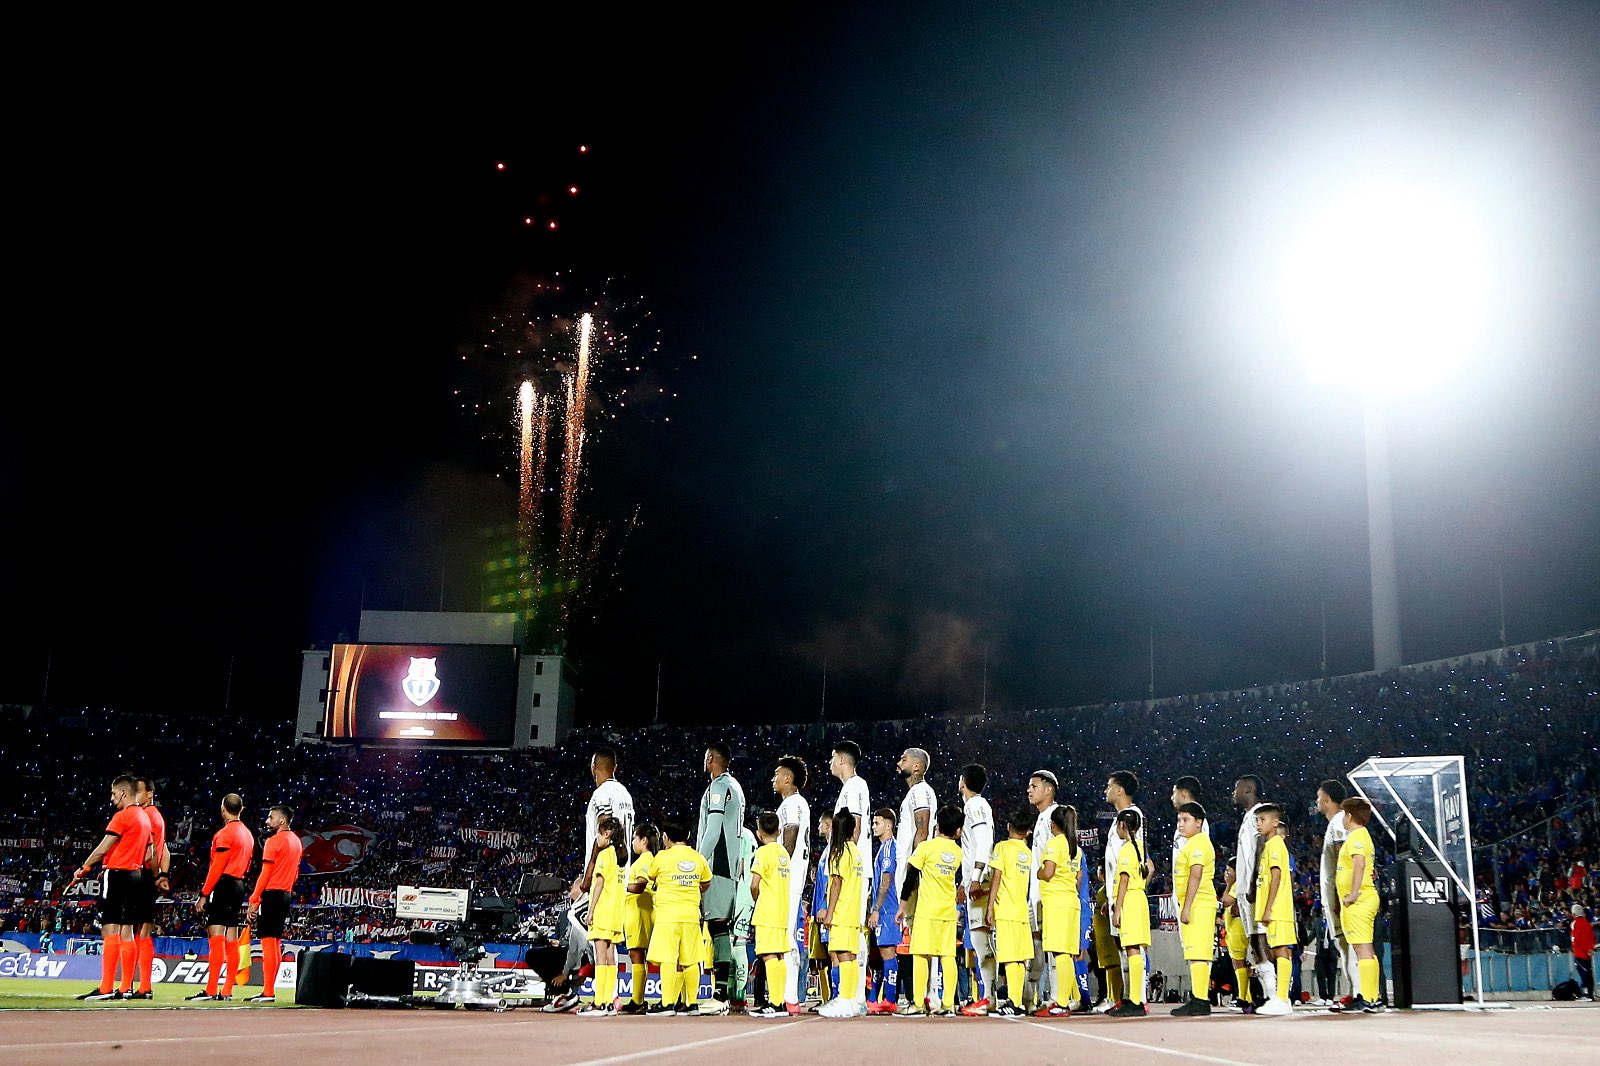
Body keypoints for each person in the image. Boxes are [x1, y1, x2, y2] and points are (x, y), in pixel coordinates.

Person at [69, 773, 152, 1001]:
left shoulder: (122, 816)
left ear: (124, 793)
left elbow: (103, 847)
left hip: (116, 875)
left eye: (114, 794)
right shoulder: (145, 818)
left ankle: (106, 987)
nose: (112, 798)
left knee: (110, 929)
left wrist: (84, 868)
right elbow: (150, 853)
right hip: (136, 875)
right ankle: (125, 988)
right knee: (128, 931)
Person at [898, 805, 964, 1016]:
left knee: (920, 955)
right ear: (958, 831)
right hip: (947, 912)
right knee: (947, 956)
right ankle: (948, 1004)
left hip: (926, 911)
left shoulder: (925, 848)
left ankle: (918, 1004)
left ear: (937, 826)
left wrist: (903, 905)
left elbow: (910, 878)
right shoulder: (957, 852)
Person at [189, 793, 254, 1001]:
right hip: (239, 884)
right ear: (241, 809)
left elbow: (217, 866)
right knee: (231, 936)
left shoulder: (224, 834)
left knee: (216, 935)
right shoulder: (248, 834)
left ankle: (210, 989)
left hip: (223, 884)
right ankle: (226, 990)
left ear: (223, 809)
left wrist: (204, 894)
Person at [646, 817, 712, 1016]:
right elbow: (706, 882)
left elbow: (651, 875)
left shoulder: (661, 857)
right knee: (690, 960)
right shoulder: (698, 858)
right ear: (689, 835)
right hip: (691, 915)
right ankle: (692, 1003)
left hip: (667, 915)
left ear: (665, 837)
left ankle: (667, 1003)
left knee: (668, 958)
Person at [697, 742, 746, 1010]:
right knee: (721, 928)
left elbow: (714, 829)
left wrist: (697, 862)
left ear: (711, 759)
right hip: (729, 867)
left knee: (717, 927)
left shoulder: (719, 786)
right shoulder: (735, 786)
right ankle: (725, 992)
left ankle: (720, 995)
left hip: (718, 866)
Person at [1099, 770, 1147, 1012]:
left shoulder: (1132, 817)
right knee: (1125, 946)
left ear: (1120, 790)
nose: (1106, 790)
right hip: (1119, 893)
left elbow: (1133, 865)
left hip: (1127, 894)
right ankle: (1130, 997)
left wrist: (1121, 899)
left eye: (1109, 786)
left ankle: (1138, 998)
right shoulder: (1119, 819)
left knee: (1132, 946)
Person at [244, 804, 302, 1003]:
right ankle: (269, 990)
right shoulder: (296, 841)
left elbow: (265, 873)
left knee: (268, 943)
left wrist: (254, 899)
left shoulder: (274, 841)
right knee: (276, 943)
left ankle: (268, 992)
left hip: (271, 895)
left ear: (282, 820)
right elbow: (295, 873)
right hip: (285, 894)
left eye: (271, 817)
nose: (267, 821)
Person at [829, 740, 873, 1001]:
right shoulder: (851, 787)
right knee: (851, 932)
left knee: (852, 932)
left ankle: (854, 996)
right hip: (853, 867)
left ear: (842, 760)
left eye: (832, 758)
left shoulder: (854, 786)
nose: (830, 763)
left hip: (852, 870)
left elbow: (854, 825)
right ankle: (852, 995)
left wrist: (846, 858)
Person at [985, 808, 1035, 1016]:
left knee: (1009, 957)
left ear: (1008, 827)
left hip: (1005, 909)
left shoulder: (1002, 847)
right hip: (1022, 910)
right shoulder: (1028, 853)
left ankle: (1014, 1002)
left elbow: (996, 877)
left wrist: (989, 907)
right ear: (1027, 831)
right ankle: (1018, 1001)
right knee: (1020, 958)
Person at [818, 809, 868, 1017]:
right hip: (853, 912)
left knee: (843, 954)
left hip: (842, 911)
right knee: (851, 956)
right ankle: (852, 999)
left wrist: (829, 913)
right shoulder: (856, 852)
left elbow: (836, 884)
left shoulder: (838, 853)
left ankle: (845, 999)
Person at [1232, 775, 1276, 1006]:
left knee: (1260, 939)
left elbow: (1260, 848)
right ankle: (1267, 994)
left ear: (1249, 789)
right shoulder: (1249, 816)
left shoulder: (1259, 814)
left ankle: (1273, 993)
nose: (1233, 793)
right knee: (1254, 941)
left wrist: (1252, 884)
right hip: (1244, 888)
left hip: (1253, 888)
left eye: (1236, 788)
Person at [772, 754, 811, 1013]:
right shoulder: (797, 803)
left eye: (777, 774)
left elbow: (791, 835)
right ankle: (790, 997)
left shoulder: (792, 803)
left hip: (788, 876)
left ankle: (788, 998)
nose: (773, 779)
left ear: (788, 778)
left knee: (785, 935)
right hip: (795, 875)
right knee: (787, 933)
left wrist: (779, 869)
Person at [1171, 800, 1217, 1016]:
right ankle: (1199, 998)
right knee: (1195, 953)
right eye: (1179, 820)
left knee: (1199, 953)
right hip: (1196, 903)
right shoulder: (1192, 843)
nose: (1181, 824)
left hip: (1199, 904)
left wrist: (1187, 906)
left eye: (1186, 820)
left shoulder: (1199, 843)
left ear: (1198, 822)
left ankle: (1200, 1000)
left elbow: (1196, 875)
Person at [578, 816, 627, 1016]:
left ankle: (599, 1003)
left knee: (600, 958)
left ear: (606, 834)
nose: (597, 838)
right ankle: (608, 1002)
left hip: (604, 911)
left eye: (598, 834)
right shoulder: (621, 856)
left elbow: (599, 883)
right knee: (610, 958)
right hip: (616, 913)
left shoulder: (605, 854)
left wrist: (590, 912)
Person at [1337, 796, 1382, 1013]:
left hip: (1360, 899)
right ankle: (1372, 996)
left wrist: (1353, 893)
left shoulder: (1356, 836)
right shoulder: (1362, 835)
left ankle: (1370, 998)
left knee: (1362, 949)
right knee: (1365, 948)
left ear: (1348, 816)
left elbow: (1359, 863)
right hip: (1364, 897)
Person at [958, 764, 996, 1015]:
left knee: (981, 940)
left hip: (980, 882)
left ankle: (989, 997)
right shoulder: (975, 806)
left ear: (963, 782)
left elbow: (983, 842)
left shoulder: (975, 806)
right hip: (975, 880)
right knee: (980, 940)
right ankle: (988, 996)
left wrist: (975, 878)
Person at [1316, 778, 1358, 1005]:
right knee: (1343, 945)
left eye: (1318, 797)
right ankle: (1354, 992)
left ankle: (1360, 994)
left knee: (1349, 944)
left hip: (1341, 894)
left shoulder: (1341, 820)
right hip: (1336, 893)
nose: (1317, 801)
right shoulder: (1335, 822)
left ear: (1327, 799)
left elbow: (1345, 854)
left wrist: (1344, 896)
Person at [1252, 804, 1296, 1016]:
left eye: (1262, 820)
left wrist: (1268, 909)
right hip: (1275, 909)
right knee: (1277, 951)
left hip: (1278, 909)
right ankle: (1281, 997)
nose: (1258, 824)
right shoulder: (1270, 845)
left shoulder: (1276, 844)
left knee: (1281, 951)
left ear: (1275, 822)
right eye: (1257, 820)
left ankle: (1283, 998)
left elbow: (1276, 877)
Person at [749, 812, 793, 1019]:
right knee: (779, 956)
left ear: (759, 833)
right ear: (779, 830)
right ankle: (780, 1002)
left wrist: (756, 898)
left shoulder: (762, 852)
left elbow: (754, 884)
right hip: (782, 910)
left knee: (768, 955)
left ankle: (775, 1004)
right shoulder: (784, 853)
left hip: (767, 911)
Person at [1108, 808, 1151, 1017]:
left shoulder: (1127, 848)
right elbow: (1150, 869)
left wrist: (1117, 909)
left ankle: (1135, 1001)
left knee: (1132, 949)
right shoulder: (1141, 846)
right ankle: (1136, 998)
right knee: (1137, 950)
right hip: (1140, 898)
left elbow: (1123, 880)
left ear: (1122, 825)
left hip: (1130, 901)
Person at [130, 774, 169, 1000]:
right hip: (148, 875)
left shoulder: (147, 816)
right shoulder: (156, 816)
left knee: (137, 932)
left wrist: (154, 876)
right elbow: (165, 850)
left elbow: (152, 851)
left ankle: (140, 986)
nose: (135, 795)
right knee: (139, 931)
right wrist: (163, 874)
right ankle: (140, 986)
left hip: (143, 874)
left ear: (150, 794)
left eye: (139, 791)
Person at [1026, 770, 1061, 1008]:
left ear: (1048, 789)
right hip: (1036, 893)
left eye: (1034, 786)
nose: (1029, 790)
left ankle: (1057, 997)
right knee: (1037, 944)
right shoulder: (1041, 818)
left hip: (1050, 893)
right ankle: (1033, 997)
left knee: (1053, 946)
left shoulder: (1055, 817)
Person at [620, 823, 660, 1014]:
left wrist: (621, 885)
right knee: (641, 956)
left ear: (643, 840)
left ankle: (638, 1000)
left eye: (635, 838)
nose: (633, 842)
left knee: (637, 955)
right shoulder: (650, 859)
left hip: (640, 911)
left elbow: (640, 885)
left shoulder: (645, 859)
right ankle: (639, 999)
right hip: (642, 910)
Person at [866, 808, 901, 1013]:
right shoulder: (883, 848)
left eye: (876, 823)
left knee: (888, 953)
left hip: (888, 908)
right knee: (879, 954)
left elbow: (886, 880)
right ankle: (875, 998)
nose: (873, 826)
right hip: (884, 908)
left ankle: (890, 999)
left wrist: (877, 909)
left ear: (888, 825)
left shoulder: (889, 848)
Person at [807, 811, 834, 1005]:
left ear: (828, 825)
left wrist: (824, 906)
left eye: (820, 823)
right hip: (818, 914)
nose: (818, 827)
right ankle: (827, 998)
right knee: (822, 958)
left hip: (825, 913)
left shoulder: (833, 850)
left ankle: (835, 996)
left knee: (833, 955)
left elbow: (832, 883)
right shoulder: (826, 850)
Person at [1571, 904, 1594, 1000]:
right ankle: (1590, 993)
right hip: (1586, 952)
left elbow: (1578, 938)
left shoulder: (1576, 923)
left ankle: (1587, 994)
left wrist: (1586, 949)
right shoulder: (1586, 923)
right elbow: (1590, 937)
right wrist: (1590, 949)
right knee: (1588, 972)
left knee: (1584, 973)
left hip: (1580, 952)